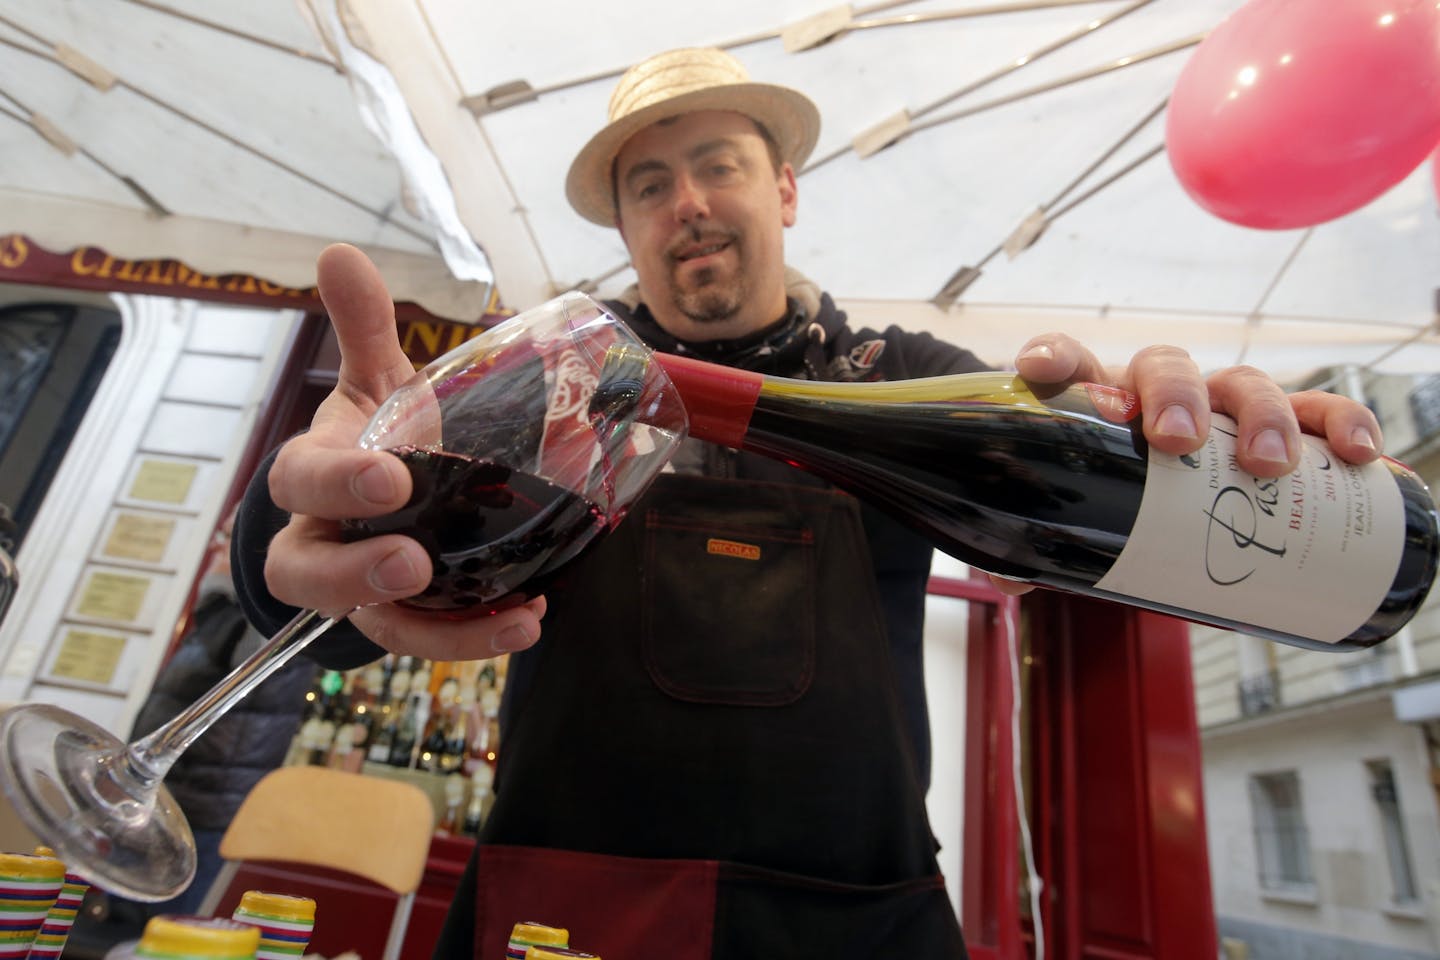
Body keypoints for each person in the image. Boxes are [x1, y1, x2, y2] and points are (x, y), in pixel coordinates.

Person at [231, 48, 1384, 957]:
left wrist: (1211, 459)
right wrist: (301, 524)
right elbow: (334, 557)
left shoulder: (913, 380)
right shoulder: (548, 389)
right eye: (648, 182)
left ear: (783, 188)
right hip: (564, 913)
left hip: (855, 925)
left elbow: (1106, 501)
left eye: (719, 164)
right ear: (624, 228)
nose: (687, 202)